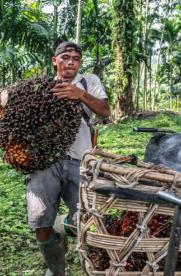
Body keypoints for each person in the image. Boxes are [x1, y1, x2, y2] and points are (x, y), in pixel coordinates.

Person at [26, 41, 110, 275]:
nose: (70, 61)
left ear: (80, 63)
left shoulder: (88, 81)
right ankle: (57, 270)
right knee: (41, 224)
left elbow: (105, 110)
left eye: (75, 58)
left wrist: (80, 94)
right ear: (55, 60)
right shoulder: (41, 86)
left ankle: (61, 226)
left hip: (80, 161)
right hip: (46, 163)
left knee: (88, 221)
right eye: (65, 57)